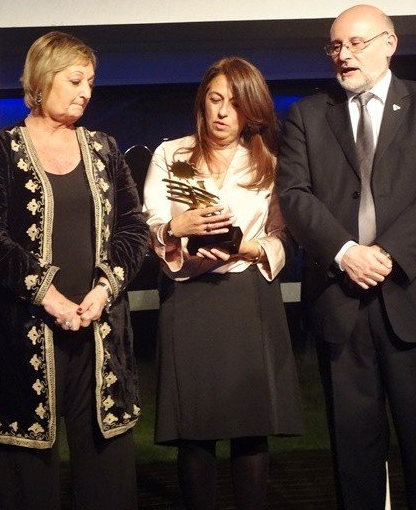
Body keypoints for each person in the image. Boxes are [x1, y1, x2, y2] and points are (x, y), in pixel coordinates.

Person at [277, 4, 416, 509]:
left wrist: (385, 253)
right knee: (354, 451)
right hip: (341, 306)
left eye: (355, 43)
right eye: (335, 46)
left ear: (390, 43)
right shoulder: (305, 115)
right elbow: (295, 195)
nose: (343, 56)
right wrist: (345, 253)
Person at [0, 31, 149, 509]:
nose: (86, 91)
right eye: (75, 79)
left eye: (90, 81)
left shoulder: (105, 149)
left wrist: (106, 289)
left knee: (106, 475)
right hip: (23, 334)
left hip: (99, 333)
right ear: (43, 80)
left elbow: (134, 228)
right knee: (28, 483)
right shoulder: (0, 149)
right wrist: (47, 294)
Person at [143, 57, 303, 510]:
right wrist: (180, 229)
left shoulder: (269, 164)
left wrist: (245, 248)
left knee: (250, 430)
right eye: (215, 100)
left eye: (234, 104)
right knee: (195, 432)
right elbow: (151, 224)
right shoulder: (171, 155)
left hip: (247, 297)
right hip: (188, 298)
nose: (222, 112)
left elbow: (284, 238)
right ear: (202, 101)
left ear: (250, 111)